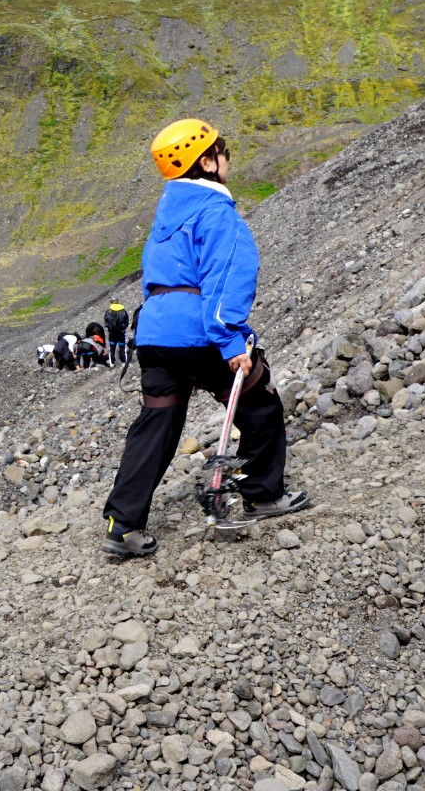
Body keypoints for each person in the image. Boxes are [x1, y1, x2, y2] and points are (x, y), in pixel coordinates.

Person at [101, 120, 311, 557]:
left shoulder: (166, 215)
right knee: (261, 402)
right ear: (207, 161)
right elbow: (225, 282)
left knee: (157, 423)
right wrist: (231, 342)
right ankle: (263, 494)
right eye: (223, 150)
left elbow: (154, 281)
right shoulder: (217, 214)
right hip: (198, 335)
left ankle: (122, 524)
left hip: (155, 336)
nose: (228, 157)